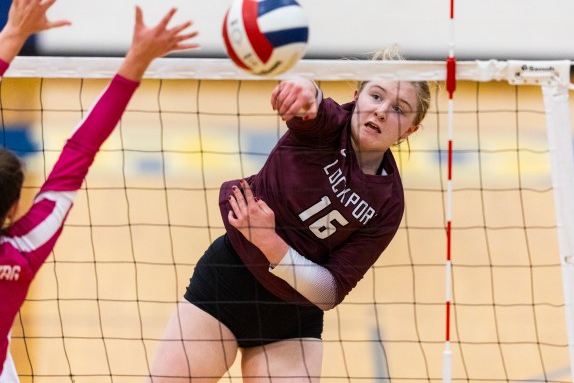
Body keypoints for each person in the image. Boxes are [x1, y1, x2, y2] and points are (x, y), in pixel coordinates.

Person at [149, 47, 431, 382]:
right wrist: (301, 87)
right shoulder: (329, 128)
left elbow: (329, 292)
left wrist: (270, 243)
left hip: (292, 319)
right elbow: (310, 104)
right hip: (227, 282)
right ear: (357, 97)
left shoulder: (388, 204)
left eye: (399, 109)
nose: (382, 111)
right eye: (376, 95)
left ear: (410, 130)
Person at [0, 0, 199, 382]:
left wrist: (11, 34)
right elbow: (79, 150)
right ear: (14, 208)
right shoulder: (24, 248)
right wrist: (136, 61)